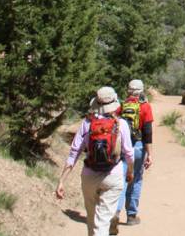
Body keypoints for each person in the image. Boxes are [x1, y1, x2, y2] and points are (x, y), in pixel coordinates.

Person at [56, 86, 134, 236]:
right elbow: (129, 154)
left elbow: (74, 152)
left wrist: (61, 181)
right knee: (102, 222)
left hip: (89, 176)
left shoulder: (87, 123)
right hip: (113, 175)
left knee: (92, 221)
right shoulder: (121, 124)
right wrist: (130, 172)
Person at [114, 79, 154, 227]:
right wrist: (149, 154)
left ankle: (115, 214)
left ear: (128, 90)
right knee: (135, 179)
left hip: (123, 147)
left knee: (121, 180)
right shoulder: (145, 107)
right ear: (141, 91)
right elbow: (148, 133)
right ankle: (131, 216)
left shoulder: (122, 106)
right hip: (138, 147)